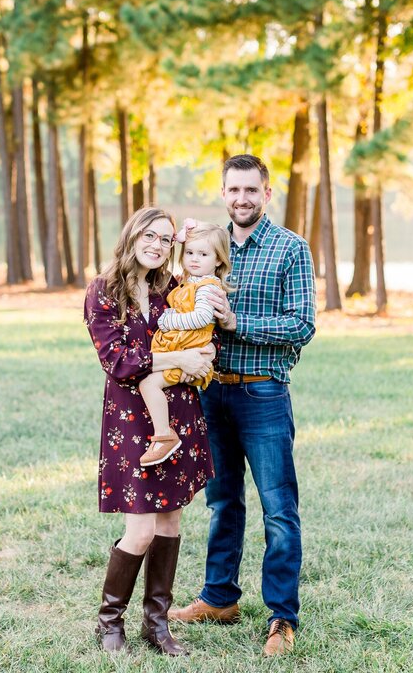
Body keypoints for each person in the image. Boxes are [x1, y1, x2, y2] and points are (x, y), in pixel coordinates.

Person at [168, 154, 316, 657]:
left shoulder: (291, 249)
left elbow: (302, 325)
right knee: (222, 501)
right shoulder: (207, 246)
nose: (242, 199)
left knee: (279, 508)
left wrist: (237, 324)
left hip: (264, 393)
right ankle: (219, 597)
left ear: (266, 194)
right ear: (224, 192)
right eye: (234, 190)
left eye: (252, 190)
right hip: (210, 392)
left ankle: (282, 618)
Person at [83, 206, 216, 656]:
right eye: (151, 236)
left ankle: (157, 625)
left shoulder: (172, 289)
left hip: (177, 414)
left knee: (170, 522)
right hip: (131, 421)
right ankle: (109, 622)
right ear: (133, 235)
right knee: (138, 530)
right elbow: (118, 360)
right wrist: (178, 360)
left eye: (166, 239)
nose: (157, 246)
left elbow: (199, 325)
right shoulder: (103, 292)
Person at [137, 220, 236, 467]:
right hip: (181, 349)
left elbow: (203, 317)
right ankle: (164, 435)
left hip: (189, 350)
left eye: (203, 254)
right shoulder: (190, 282)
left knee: (149, 383)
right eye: (189, 252)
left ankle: (163, 436)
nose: (194, 258)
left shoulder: (207, 287)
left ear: (218, 260)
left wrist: (169, 320)